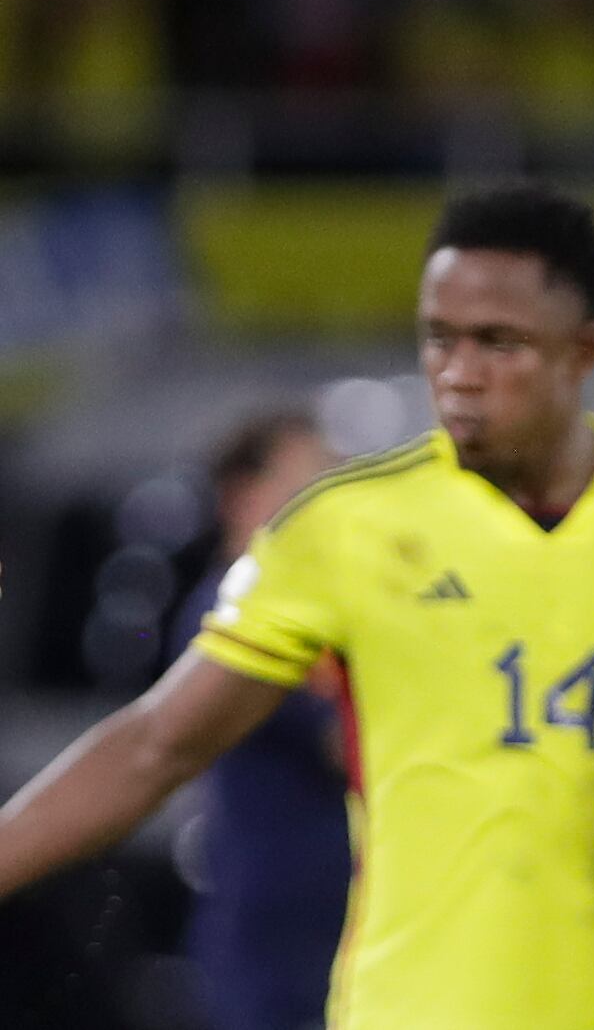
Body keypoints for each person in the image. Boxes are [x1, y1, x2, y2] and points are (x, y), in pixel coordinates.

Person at [0, 184, 594, 1029]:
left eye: (498, 342)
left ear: (583, 351)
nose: (459, 373)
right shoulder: (344, 527)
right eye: (440, 339)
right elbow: (156, 742)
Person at [166, 409, 345, 1030]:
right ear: (243, 494)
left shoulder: (322, 609)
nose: (329, 505)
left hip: (333, 929)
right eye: (308, 484)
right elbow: (350, 745)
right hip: (275, 941)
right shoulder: (230, 612)